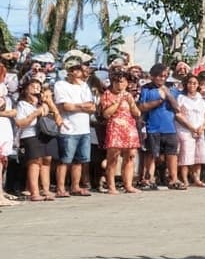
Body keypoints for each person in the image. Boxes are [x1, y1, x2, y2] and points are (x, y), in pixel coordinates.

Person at [53, 51, 97, 197]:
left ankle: (75, 187)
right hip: (68, 128)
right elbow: (65, 106)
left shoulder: (84, 85)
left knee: (80, 160)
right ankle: (60, 188)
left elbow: (91, 106)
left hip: (84, 128)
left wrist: (77, 106)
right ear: (70, 70)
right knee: (65, 160)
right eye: (77, 69)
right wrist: (82, 106)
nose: (80, 71)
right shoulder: (60, 85)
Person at [15, 76, 58, 200]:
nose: (36, 89)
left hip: (45, 134)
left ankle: (45, 190)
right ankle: (34, 193)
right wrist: (36, 113)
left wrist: (48, 102)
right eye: (32, 87)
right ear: (25, 90)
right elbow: (21, 123)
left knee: (46, 161)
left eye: (38, 87)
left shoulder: (43, 103)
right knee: (35, 162)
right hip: (30, 135)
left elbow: (57, 116)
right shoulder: (22, 104)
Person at [100, 70, 143, 193]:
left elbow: (137, 113)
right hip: (115, 127)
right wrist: (118, 101)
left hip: (129, 127)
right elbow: (106, 114)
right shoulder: (108, 94)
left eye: (123, 82)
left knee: (130, 156)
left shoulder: (128, 95)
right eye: (117, 82)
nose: (120, 85)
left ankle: (128, 185)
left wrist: (131, 102)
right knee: (113, 158)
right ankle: (111, 186)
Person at [139, 64, 180, 190]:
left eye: (164, 76)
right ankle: (148, 179)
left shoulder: (171, 89)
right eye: (159, 76)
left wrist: (167, 94)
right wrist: (159, 101)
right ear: (152, 76)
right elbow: (142, 107)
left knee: (171, 154)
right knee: (151, 154)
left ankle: (174, 179)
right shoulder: (146, 89)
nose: (162, 79)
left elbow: (177, 107)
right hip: (153, 126)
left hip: (169, 127)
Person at [175, 74, 205, 189]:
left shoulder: (202, 98)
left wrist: (202, 127)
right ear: (186, 84)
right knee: (186, 155)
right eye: (190, 83)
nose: (192, 85)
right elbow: (178, 115)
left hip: (199, 130)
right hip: (185, 129)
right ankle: (185, 179)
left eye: (195, 83)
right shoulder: (181, 98)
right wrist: (191, 127)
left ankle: (197, 179)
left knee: (199, 155)